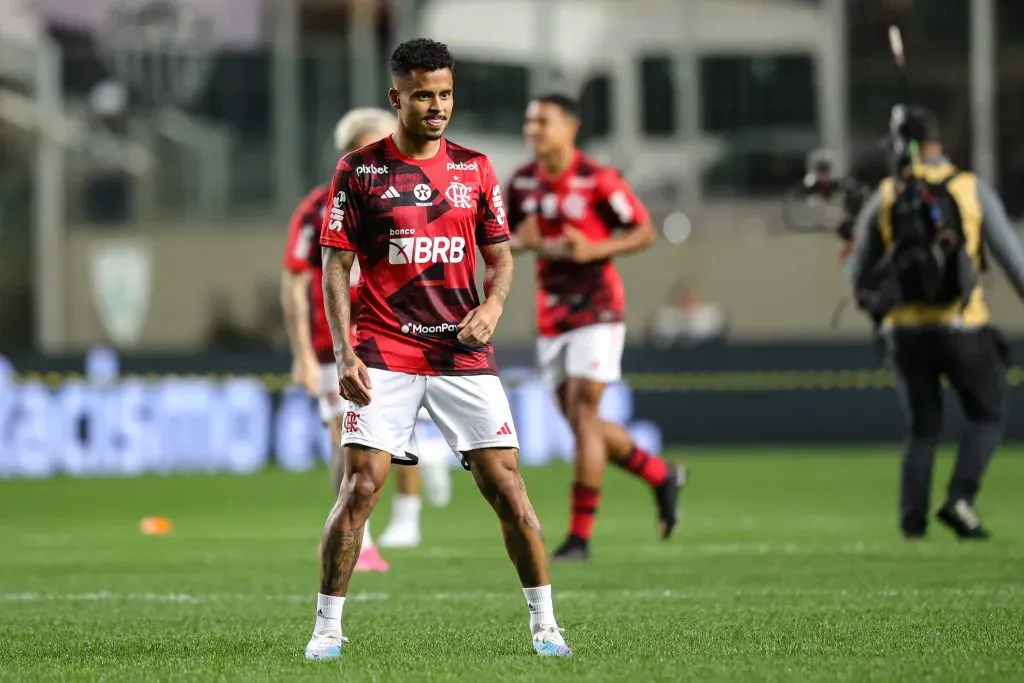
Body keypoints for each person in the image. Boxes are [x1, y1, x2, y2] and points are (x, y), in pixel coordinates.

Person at [304, 38, 572, 661]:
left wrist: (493, 307)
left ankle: (546, 626)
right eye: (424, 95)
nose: (437, 106)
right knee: (359, 488)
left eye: (445, 94)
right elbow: (334, 265)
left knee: (507, 487)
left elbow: (500, 257)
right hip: (384, 350)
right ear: (396, 97)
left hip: (460, 354)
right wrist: (344, 351)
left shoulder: (475, 169)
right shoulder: (360, 171)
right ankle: (326, 630)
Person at [505, 94, 687, 562]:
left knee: (585, 416)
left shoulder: (597, 178)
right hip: (552, 314)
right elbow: (500, 239)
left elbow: (644, 231)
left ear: (570, 128)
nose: (533, 130)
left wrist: (594, 248)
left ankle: (579, 538)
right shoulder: (522, 182)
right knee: (580, 423)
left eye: (543, 121)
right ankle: (661, 475)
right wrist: (518, 242)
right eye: (529, 122)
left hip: (598, 308)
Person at [281, 108, 451, 572]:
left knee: (393, 431)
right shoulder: (318, 209)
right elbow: (294, 283)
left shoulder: (415, 199)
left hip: (392, 336)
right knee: (345, 438)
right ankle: (362, 539)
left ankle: (402, 517)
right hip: (333, 346)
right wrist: (301, 354)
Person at [848, 106, 1024, 540]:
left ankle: (912, 521)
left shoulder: (887, 194)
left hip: (906, 332)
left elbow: (857, 276)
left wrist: (878, 306)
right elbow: (1014, 262)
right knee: (987, 416)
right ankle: (960, 498)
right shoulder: (969, 188)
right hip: (963, 325)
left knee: (922, 428)